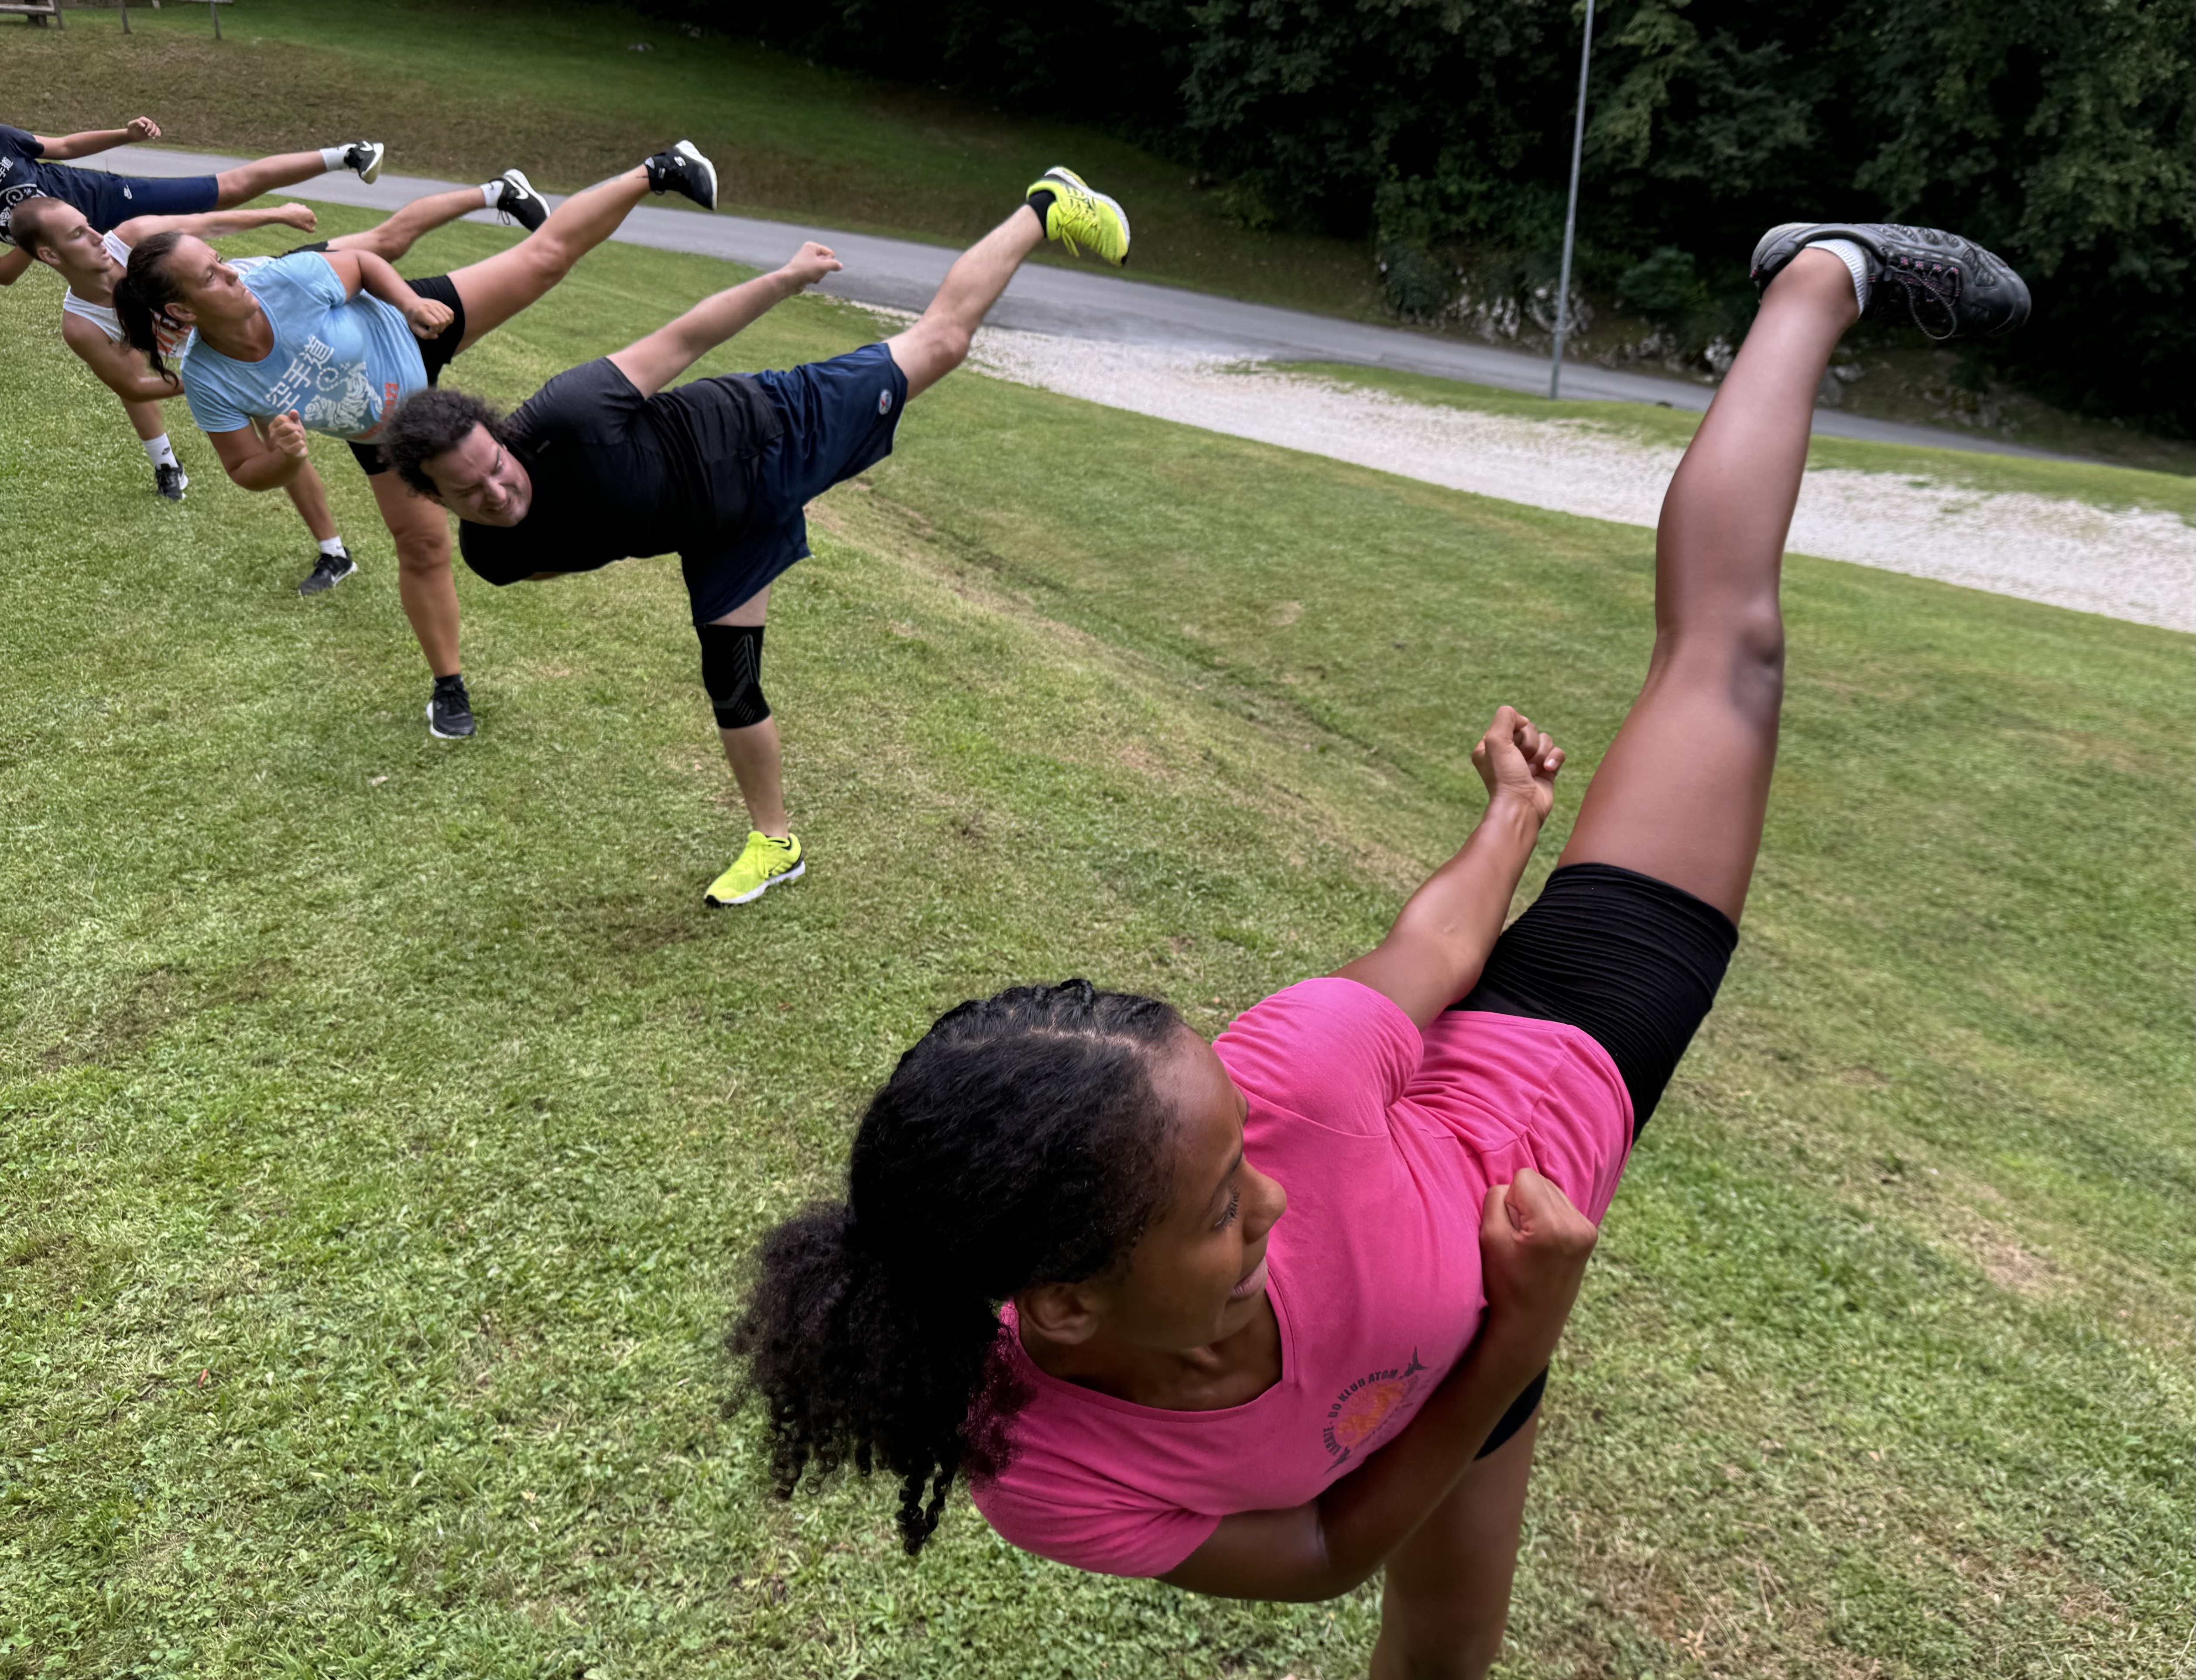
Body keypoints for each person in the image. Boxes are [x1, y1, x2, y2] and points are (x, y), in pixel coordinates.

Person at [727, 219, 2029, 1677]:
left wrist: (1513, 814)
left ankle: (1820, 277)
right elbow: (1321, 1555)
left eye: (1240, 1163)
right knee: (1443, 1658)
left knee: (1730, 657)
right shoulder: (1041, 1464)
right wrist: (1518, 1337)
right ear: (1070, 1303)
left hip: (1564, 1044)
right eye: (1223, 1206)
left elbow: (1436, 946)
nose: (1272, 1193)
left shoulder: (1285, 1084)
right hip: (1482, 1342)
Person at [377, 167, 1133, 901]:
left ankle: (1045, 204)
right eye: (470, 492)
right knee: (731, 685)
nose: (498, 491)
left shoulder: (571, 412)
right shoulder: (496, 555)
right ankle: (776, 845)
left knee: (942, 344)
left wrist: (787, 278)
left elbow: (688, 337)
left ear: (502, 438)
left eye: (498, 466)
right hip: (721, 535)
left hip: (770, 432)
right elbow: (572, 552)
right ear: (434, 498)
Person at [115, 141, 719, 739]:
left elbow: (363, 263)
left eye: (220, 260)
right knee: (423, 548)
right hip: (388, 433)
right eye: (211, 277)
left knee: (545, 259)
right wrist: (285, 457)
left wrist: (410, 303)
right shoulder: (210, 378)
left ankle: (658, 170)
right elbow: (246, 469)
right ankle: (449, 686)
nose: (232, 272)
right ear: (182, 311)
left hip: (408, 331)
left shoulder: (282, 280)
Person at [11, 173, 545, 592]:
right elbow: (132, 387)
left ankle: (495, 191)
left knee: (390, 241)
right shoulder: (83, 322)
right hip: (238, 361)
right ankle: (334, 551)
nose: (97, 236)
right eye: (79, 233)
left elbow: (204, 226)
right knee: (282, 447)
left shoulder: (131, 241)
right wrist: (216, 389)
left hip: (278, 292)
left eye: (88, 223)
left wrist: (276, 213)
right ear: (50, 256)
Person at [0, 114, 386, 279]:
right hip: (96, 258)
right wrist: (40, 240)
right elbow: (6, 275)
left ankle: (347, 155)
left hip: (113, 201)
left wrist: (126, 135)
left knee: (227, 191)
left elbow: (65, 146)